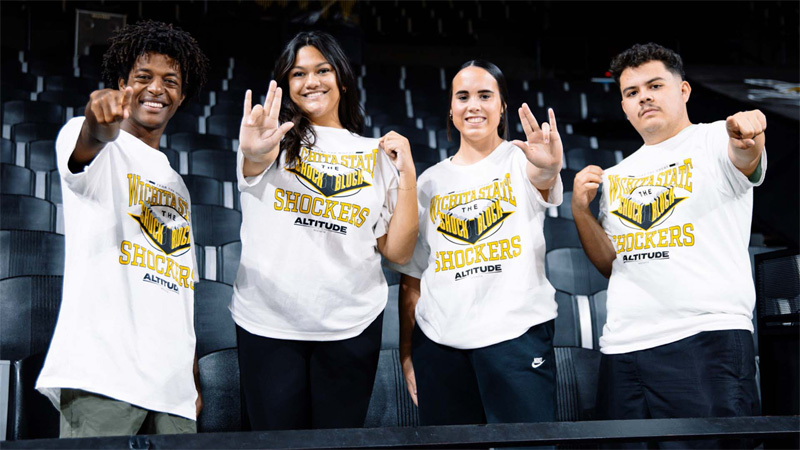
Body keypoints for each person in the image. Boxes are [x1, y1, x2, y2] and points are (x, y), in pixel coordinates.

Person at [572, 43, 765, 448]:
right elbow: (612, 266)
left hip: (705, 338)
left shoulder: (715, 139)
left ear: (684, 91)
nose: (643, 96)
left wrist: (751, 135)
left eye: (655, 85)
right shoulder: (615, 176)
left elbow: (746, 155)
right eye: (631, 92)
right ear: (624, 107)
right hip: (623, 346)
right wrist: (580, 211)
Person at [231, 30, 418, 431]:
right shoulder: (269, 141)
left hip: (351, 325)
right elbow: (250, 164)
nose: (311, 81)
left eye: (323, 69)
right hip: (269, 323)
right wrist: (252, 152)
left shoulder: (375, 152)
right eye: (298, 74)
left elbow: (399, 253)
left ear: (343, 79)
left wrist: (408, 174)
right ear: (285, 84)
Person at [36, 20, 209, 437]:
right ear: (122, 84)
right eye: (143, 77)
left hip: (172, 393)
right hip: (104, 377)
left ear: (181, 96)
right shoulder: (91, 143)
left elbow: (180, 288)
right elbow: (86, 145)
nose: (156, 89)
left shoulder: (177, 185)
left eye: (170, 81)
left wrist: (191, 380)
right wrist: (98, 125)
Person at [395, 60, 563, 427]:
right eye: (463, 96)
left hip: (515, 340)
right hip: (439, 347)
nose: (473, 105)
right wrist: (407, 353)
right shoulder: (428, 182)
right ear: (451, 109)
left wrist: (549, 169)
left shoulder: (523, 160)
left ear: (502, 106)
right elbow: (413, 279)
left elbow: (543, 177)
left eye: (485, 96)